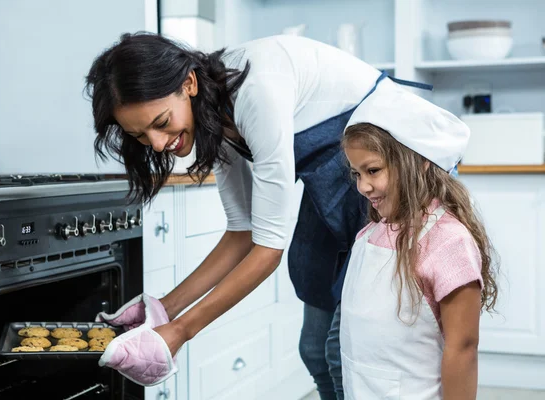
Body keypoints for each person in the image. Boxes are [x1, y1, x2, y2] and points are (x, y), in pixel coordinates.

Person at [84, 31, 421, 395]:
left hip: (392, 176)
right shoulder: (214, 113)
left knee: (345, 357)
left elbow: (267, 252)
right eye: (140, 136)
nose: (159, 144)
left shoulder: (255, 91)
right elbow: (241, 233)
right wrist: (163, 309)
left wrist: (180, 331)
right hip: (336, 183)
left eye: (162, 122)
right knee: (315, 352)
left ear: (189, 84)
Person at [338, 79, 499, 399]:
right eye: (357, 174)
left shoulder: (448, 243)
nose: (362, 186)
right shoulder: (370, 234)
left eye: (373, 170)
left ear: (420, 162)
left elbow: (462, 349)